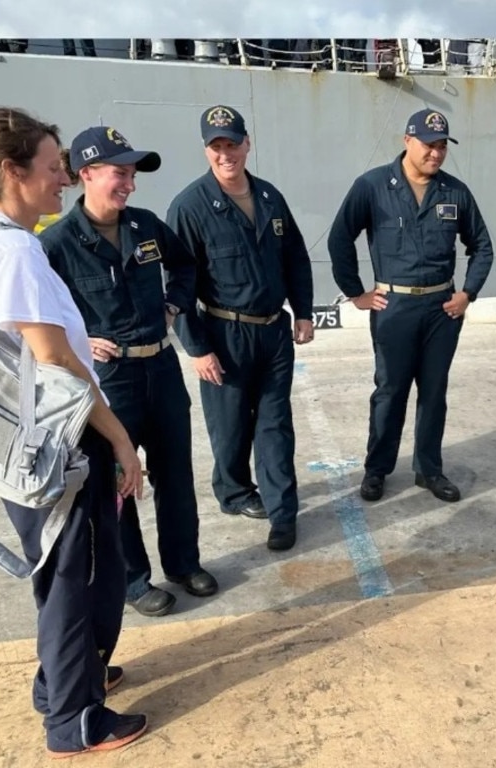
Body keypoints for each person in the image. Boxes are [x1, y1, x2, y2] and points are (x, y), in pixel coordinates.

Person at [0, 107, 147, 756]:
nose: (63, 179)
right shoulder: (18, 250)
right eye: (55, 168)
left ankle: (66, 677)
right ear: (13, 172)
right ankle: (73, 720)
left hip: (28, 439)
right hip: (60, 440)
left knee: (77, 572)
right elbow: (54, 362)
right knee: (77, 579)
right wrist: (117, 438)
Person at [39, 125, 217, 618]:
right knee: (120, 479)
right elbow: (37, 315)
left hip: (160, 367)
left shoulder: (147, 226)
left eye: (132, 175)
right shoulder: (56, 244)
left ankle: (183, 564)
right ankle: (135, 580)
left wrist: (174, 307)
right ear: (87, 174)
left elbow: (186, 269)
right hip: (109, 381)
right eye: (120, 174)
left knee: (175, 476)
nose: (130, 185)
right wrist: (77, 335)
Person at [167, 105, 314, 552]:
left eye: (233, 143)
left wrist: (303, 311)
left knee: (274, 424)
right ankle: (232, 491)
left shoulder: (270, 198)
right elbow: (177, 286)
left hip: (272, 333)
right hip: (223, 335)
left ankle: (281, 512)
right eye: (217, 146)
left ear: (247, 143)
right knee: (229, 428)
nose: (226, 154)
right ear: (206, 151)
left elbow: (295, 258)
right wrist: (196, 348)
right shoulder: (189, 207)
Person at [327, 109, 494, 503]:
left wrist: (467, 293)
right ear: (407, 141)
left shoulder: (455, 192)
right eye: (428, 145)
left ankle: (429, 470)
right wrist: (356, 293)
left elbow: (483, 247)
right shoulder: (371, 186)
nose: (435, 154)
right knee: (390, 391)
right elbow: (339, 239)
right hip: (394, 307)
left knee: (434, 392)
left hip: (442, 310)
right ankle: (376, 470)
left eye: (441, 147)